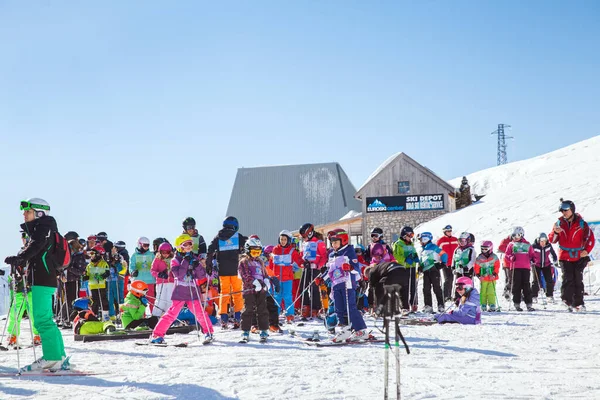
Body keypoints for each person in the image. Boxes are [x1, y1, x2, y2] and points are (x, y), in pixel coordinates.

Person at [4, 198, 68, 372]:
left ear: (39, 213)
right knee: (45, 319)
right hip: (44, 278)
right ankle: (59, 356)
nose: (24, 214)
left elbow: (36, 246)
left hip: (42, 278)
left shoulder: (43, 228)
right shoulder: (44, 228)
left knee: (41, 320)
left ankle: (53, 357)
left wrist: (21, 257)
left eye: (28, 211)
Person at [151, 234, 214, 344]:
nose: (189, 246)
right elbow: (179, 275)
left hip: (193, 290)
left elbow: (201, 275)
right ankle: (157, 335)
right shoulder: (175, 260)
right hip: (180, 290)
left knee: (200, 312)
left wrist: (197, 265)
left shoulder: (194, 258)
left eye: (190, 244)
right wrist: (185, 261)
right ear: (180, 247)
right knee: (172, 313)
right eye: (186, 244)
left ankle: (208, 332)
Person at [548, 199, 595, 312]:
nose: (564, 213)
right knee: (568, 278)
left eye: (566, 210)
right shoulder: (559, 223)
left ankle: (578, 303)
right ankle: (566, 301)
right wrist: (555, 232)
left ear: (572, 210)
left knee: (578, 279)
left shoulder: (581, 224)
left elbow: (590, 238)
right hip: (564, 256)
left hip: (579, 256)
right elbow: (552, 240)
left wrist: (587, 250)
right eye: (562, 211)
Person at [325, 229, 368, 342]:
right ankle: (345, 329)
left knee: (350, 308)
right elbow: (329, 270)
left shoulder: (349, 251)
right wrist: (321, 278)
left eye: (335, 242)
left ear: (343, 241)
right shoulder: (332, 255)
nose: (333, 245)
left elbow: (356, 268)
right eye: (332, 243)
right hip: (336, 285)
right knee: (338, 307)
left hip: (347, 284)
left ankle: (361, 330)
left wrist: (350, 267)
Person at [207, 216, 247, 329]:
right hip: (236, 270)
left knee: (224, 293)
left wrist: (209, 265)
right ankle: (238, 316)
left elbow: (210, 250)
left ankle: (224, 318)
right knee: (237, 293)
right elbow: (247, 246)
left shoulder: (218, 237)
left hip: (222, 270)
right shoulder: (238, 237)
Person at [6, 232, 40, 347]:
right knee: (15, 312)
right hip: (20, 286)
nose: (24, 240)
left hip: (31, 287)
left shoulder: (35, 252)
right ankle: (13, 335)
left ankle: (37, 334)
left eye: (26, 238)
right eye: (23, 238)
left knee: (34, 312)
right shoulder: (20, 253)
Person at [239, 237, 270, 343]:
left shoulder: (260, 262)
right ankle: (245, 331)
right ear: (248, 250)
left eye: (258, 252)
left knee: (262, 309)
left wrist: (266, 281)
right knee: (248, 310)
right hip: (249, 290)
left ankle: (264, 330)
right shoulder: (244, 261)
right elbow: (245, 275)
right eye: (254, 251)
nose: (256, 254)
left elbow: (264, 274)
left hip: (261, 290)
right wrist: (254, 282)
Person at [268, 230, 303, 324]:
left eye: (285, 239)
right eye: (281, 239)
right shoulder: (275, 249)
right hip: (277, 278)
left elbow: (298, 260)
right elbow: (271, 263)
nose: (283, 241)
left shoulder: (292, 251)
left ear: (288, 240)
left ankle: (290, 315)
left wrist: (303, 263)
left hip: (287, 278)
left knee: (287, 296)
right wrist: (271, 273)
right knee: (277, 296)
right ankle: (275, 314)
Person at [298, 223, 328, 320]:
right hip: (306, 268)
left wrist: (319, 266)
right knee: (303, 287)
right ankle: (305, 307)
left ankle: (315, 308)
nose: (305, 238)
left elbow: (324, 256)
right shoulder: (304, 244)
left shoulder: (319, 242)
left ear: (310, 232)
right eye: (303, 236)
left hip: (315, 268)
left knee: (314, 288)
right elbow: (301, 256)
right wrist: (303, 263)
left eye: (305, 235)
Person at [505, 227, 535, 312]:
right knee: (516, 286)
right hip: (515, 267)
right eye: (513, 235)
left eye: (517, 235)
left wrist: (533, 259)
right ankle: (517, 303)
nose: (515, 237)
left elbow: (532, 254)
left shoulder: (527, 244)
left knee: (526, 286)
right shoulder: (511, 244)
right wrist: (511, 257)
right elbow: (507, 254)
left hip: (525, 267)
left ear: (521, 235)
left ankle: (529, 304)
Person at [62, 231, 87, 328]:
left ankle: (68, 318)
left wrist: (69, 268)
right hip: (68, 279)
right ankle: (64, 318)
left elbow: (80, 271)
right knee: (68, 299)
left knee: (72, 299)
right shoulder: (68, 254)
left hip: (74, 280)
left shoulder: (79, 255)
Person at [418, 232, 447, 313]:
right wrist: (420, 266)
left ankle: (441, 305)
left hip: (434, 269)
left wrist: (443, 263)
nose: (420, 241)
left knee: (436, 288)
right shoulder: (423, 249)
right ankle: (428, 305)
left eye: (420, 239)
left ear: (425, 239)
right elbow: (422, 259)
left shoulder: (434, 247)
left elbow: (444, 254)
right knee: (426, 288)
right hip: (426, 271)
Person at [392, 226, 419, 312]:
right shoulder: (398, 244)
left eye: (412, 235)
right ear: (404, 235)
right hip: (403, 268)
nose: (411, 237)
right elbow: (395, 255)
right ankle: (405, 306)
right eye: (409, 235)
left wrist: (415, 257)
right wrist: (404, 259)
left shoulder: (411, 244)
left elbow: (414, 252)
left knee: (413, 286)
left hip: (412, 267)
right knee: (404, 287)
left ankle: (414, 303)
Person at [129, 237, 156, 312]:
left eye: (148, 245)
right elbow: (131, 266)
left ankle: (154, 315)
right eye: (145, 245)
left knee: (151, 299)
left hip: (149, 280)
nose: (146, 247)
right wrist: (132, 272)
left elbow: (155, 265)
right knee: (139, 300)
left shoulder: (151, 255)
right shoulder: (134, 255)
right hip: (139, 282)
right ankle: (141, 317)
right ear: (139, 245)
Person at [83, 245, 111, 319]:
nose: (90, 255)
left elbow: (107, 273)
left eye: (92, 253)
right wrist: (85, 277)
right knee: (95, 301)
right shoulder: (89, 265)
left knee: (103, 300)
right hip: (92, 286)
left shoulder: (104, 263)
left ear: (98, 254)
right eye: (90, 254)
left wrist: (101, 277)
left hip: (101, 285)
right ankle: (94, 315)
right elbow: (87, 274)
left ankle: (105, 316)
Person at [474, 241, 500, 312]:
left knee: (491, 291)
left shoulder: (494, 257)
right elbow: (476, 268)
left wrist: (494, 274)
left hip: (492, 278)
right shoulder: (479, 258)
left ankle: (492, 304)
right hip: (484, 278)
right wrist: (479, 276)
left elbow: (497, 267)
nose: (484, 251)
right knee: (483, 291)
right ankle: (483, 304)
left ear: (490, 248)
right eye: (482, 249)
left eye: (486, 249)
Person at [531, 233, 558, 303]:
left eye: (544, 241)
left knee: (549, 280)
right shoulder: (534, 246)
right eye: (541, 241)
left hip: (546, 264)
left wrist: (555, 259)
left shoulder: (548, 245)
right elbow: (529, 255)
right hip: (536, 265)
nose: (543, 243)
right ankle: (534, 296)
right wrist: (531, 260)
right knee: (536, 280)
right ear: (538, 240)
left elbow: (553, 253)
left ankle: (549, 296)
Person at [151, 242, 175, 317]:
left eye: (167, 252)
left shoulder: (173, 259)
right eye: (163, 252)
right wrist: (159, 274)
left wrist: (173, 274)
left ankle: (168, 317)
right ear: (159, 252)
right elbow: (152, 271)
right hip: (161, 282)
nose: (165, 254)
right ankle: (156, 316)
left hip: (171, 282)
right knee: (160, 300)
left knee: (169, 300)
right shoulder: (157, 259)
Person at [436, 225, 459, 302]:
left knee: (453, 279)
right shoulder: (441, 241)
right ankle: (445, 295)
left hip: (454, 263)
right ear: (445, 232)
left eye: (450, 231)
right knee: (447, 279)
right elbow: (437, 251)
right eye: (448, 231)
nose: (449, 232)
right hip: (445, 263)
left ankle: (451, 295)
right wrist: (439, 260)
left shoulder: (455, 239)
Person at [497, 234, 513, 300]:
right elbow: (500, 248)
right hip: (507, 262)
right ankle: (507, 291)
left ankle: (510, 291)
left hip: (515, 262)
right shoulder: (505, 240)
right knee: (509, 278)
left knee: (513, 278)